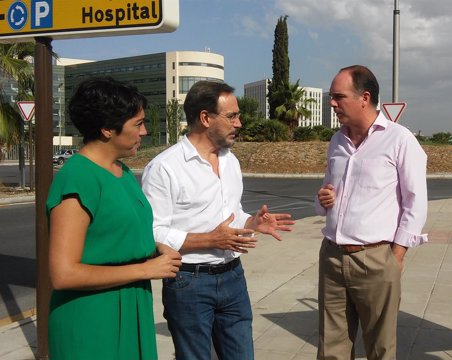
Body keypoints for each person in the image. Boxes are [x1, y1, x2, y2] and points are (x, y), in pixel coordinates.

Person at [141, 80, 295, 360]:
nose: (239, 123)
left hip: (233, 277)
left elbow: (232, 214)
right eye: (232, 116)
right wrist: (210, 240)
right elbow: (152, 232)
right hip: (188, 282)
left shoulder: (230, 161)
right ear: (205, 118)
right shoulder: (165, 168)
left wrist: (251, 224)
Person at [47, 77, 182, 360]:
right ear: (108, 129)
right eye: (138, 124)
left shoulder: (121, 172)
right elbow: (63, 274)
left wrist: (156, 248)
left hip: (132, 304)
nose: (144, 132)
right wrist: (145, 269)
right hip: (92, 318)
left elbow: (120, 232)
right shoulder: (78, 178)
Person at [315, 65, 428, 360]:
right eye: (331, 97)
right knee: (331, 348)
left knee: (380, 348)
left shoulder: (400, 140)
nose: (332, 103)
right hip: (332, 256)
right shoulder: (337, 141)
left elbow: (415, 202)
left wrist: (397, 255)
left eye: (338, 97)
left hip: (376, 258)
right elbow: (327, 194)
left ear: (364, 98)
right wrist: (324, 198)